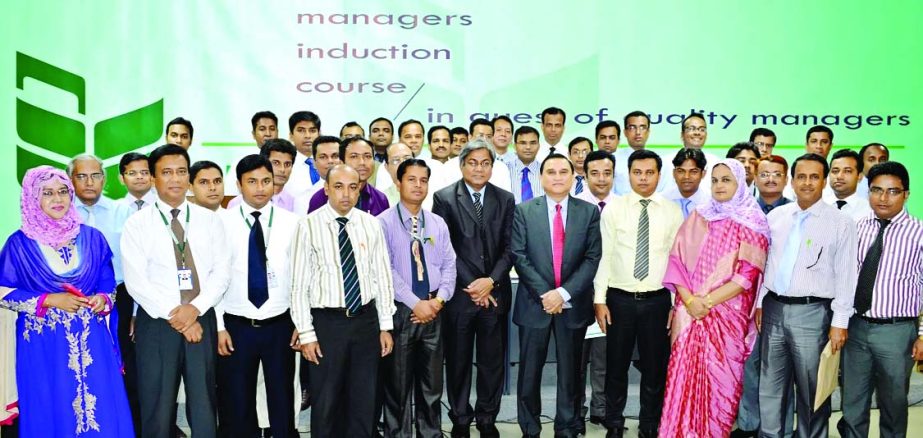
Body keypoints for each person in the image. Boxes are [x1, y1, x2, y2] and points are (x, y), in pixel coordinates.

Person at [0, 166, 134, 437]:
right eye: (47, 193)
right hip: (42, 343)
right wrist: (49, 300)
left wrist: (102, 299)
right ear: (32, 198)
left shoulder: (92, 238)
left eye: (63, 192)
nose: (57, 199)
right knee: (50, 404)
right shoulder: (19, 244)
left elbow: (107, 284)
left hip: (91, 339)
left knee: (100, 406)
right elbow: (4, 291)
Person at [121, 144, 231, 437]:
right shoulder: (137, 224)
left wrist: (194, 309)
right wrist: (178, 316)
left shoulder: (209, 219)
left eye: (181, 171)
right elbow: (136, 282)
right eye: (166, 172)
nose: (175, 179)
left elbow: (221, 273)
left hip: (201, 319)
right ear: (154, 178)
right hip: (157, 323)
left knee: (204, 402)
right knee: (157, 404)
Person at [659, 159, 770, 436]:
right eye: (716, 180)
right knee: (682, 380)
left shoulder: (753, 222)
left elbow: (746, 276)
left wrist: (705, 302)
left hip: (726, 316)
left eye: (727, 180)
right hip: (689, 313)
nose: (719, 185)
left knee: (722, 383)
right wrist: (689, 301)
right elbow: (677, 262)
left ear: (741, 183)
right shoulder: (699, 216)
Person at [291, 164, 396, 437]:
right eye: (338, 187)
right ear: (326, 188)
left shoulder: (371, 224)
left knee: (364, 400)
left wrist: (385, 325)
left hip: (365, 321)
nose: (346, 194)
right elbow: (299, 285)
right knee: (326, 401)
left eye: (353, 187)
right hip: (327, 324)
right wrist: (306, 333)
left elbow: (382, 277)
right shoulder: (307, 226)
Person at [756, 153, 857, 438]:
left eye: (814, 177)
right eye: (801, 176)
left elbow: (847, 276)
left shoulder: (840, 222)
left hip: (813, 314)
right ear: (791, 180)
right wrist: (761, 301)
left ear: (824, 181)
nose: (807, 182)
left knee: (813, 391)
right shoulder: (776, 217)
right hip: (774, 309)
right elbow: (768, 265)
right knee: (771, 388)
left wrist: (840, 322)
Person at [594, 149, 683, 438]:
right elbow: (604, 256)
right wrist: (599, 300)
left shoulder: (671, 210)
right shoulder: (614, 208)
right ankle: (615, 424)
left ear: (659, 175)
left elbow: (676, 261)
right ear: (628, 174)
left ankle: (650, 425)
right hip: (619, 300)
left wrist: (674, 304)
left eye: (650, 172)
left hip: (657, 301)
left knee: (655, 369)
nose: (643, 178)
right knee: (615, 367)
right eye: (637, 172)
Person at [511, 153, 601, 438]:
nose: (558, 176)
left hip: (572, 304)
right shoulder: (524, 211)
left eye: (564, 171)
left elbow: (592, 257)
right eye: (551, 171)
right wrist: (546, 294)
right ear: (541, 177)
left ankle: (566, 427)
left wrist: (562, 293)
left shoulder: (588, 212)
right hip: (533, 304)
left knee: (571, 373)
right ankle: (530, 428)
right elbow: (519, 255)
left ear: (574, 177)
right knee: (529, 374)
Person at [432, 141, 515, 438]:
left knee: (493, 360)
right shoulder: (444, 199)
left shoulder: (505, 199)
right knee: (458, 360)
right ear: (462, 164)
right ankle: (460, 416)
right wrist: (475, 285)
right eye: (473, 162)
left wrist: (490, 281)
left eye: (485, 163)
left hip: (495, 294)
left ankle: (487, 416)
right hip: (460, 296)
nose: (479, 168)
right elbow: (445, 248)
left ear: (492, 167)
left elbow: (510, 247)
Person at [216, 155, 300, 437]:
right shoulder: (221, 223)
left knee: (282, 401)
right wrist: (218, 326)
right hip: (237, 326)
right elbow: (213, 278)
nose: (260, 188)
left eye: (266, 181)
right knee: (237, 404)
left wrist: (302, 323)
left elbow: (301, 278)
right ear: (239, 185)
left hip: (281, 325)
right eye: (252, 182)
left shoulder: (293, 223)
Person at [839, 161, 923, 438]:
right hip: (856, 327)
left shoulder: (919, 234)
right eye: (876, 190)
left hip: (897, 332)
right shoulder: (856, 228)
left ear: (906, 194)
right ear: (868, 193)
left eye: (892, 191)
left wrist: (922, 334)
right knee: (852, 402)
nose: (883, 198)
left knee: (893, 404)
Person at [379, 159, 457, 438]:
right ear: (398, 183)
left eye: (423, 180)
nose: (418, 185)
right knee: (397, 388)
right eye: (411, 179)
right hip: (401, 312)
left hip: (435, 310)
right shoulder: (383, 223)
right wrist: (416, 303)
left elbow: (449, 265)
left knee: (432, 385)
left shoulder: (437, 223)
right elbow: (384, 270)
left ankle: (430, 434)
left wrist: (438, 301)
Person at [574, 150, 616, 432]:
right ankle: (576, 409)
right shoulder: (574, 207)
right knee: (576, 356)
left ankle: (601, 408)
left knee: (604, 356)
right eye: (595, 173)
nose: (601, 179)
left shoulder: (623, 206)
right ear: (585, 175)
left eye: (607, 173)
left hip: (612, 293)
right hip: (578, 291)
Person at [307, 137, 390, 216]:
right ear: (341, 162)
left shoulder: (380, 199)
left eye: (367, 156)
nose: (362, 162)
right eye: (354, 156)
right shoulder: (321, 198)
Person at [227, 139, 297, 212]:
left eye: (287, 164)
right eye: (276, 163)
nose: (282, 169)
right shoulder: (237, 203)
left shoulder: (295, 203)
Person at [293, 135, 340, 216]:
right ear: (314, 163)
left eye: (335, 156)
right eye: (323, 157)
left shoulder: (357, 193)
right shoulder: (303, 200)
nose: (330, 161)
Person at [823, 149, 871, 221]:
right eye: (835, 171)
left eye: (847, 171)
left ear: (859, 176)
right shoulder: (816, 204)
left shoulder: (869, 211)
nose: (839, 176)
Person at [284, 111, 323, 200]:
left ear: (319, 134)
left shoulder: (330, 162)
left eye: (312, 131)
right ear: (291, 136)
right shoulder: (285, 166)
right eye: (301, 130)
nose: (307, 136)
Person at [661, 148, 709, 219]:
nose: (686, 177)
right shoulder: (662, 200)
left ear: (703, 174)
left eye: (693, 172)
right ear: (674, 173)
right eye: (681, 171)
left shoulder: (711, 203)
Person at [508, 126, 545, 204]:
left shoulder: (547, 171)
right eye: (523, 143)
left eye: (533, 143)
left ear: (539, 146)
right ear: (515, 146)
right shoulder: (504, 170)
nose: (528, 147)